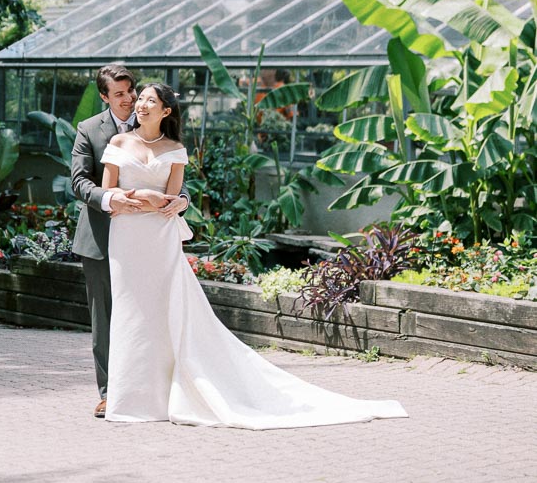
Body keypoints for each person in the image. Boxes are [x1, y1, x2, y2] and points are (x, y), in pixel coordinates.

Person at [100, 82, 407, 428]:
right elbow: (110, 192)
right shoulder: (118, 142)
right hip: (126, 238)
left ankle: (162, 398)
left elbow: (172, 201)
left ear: (166, 111)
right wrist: (145, 195)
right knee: (130, 312)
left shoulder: (175, 149)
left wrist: (162, 202)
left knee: (161, 313)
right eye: (140, 99)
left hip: (160, 238)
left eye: (149, 101)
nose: (140, 105)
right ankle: (131, 400)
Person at [70, 62, 188, 418]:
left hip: (152, 238)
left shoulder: (163, 132)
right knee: (106, 319)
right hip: (103, 236)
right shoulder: (89, 130)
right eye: (119, 94)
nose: (129, 99)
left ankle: (159, 388)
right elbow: (78, 181)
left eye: (131, 92)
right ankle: (110, 393)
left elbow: (174, 178)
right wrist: (112, 199)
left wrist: (183, 201)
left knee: (151, 313)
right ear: (105, 97)